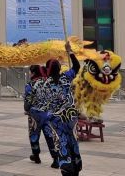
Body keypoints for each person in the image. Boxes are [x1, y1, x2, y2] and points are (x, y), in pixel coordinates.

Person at [40, 42, 82, 176]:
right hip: (70, 117)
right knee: (72, 140)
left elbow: (45, 103)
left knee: (61, 141)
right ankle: (76, 166)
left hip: (56, 120)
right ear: (59, 69)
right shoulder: (66, 77)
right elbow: (77, 66)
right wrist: (69, 51)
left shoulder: (45, 84)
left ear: (47, 70)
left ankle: (66, 168)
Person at [24, 65, 58, 167]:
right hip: (47, 114)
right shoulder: (48, 83)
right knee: (50, 136)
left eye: (30, 72)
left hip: (35, 115)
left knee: (34, 135)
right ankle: (55, 159)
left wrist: (27, 109)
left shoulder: (30, 84)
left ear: (33, 73)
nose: (30, 73)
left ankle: (36, 156)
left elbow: (28, 101)